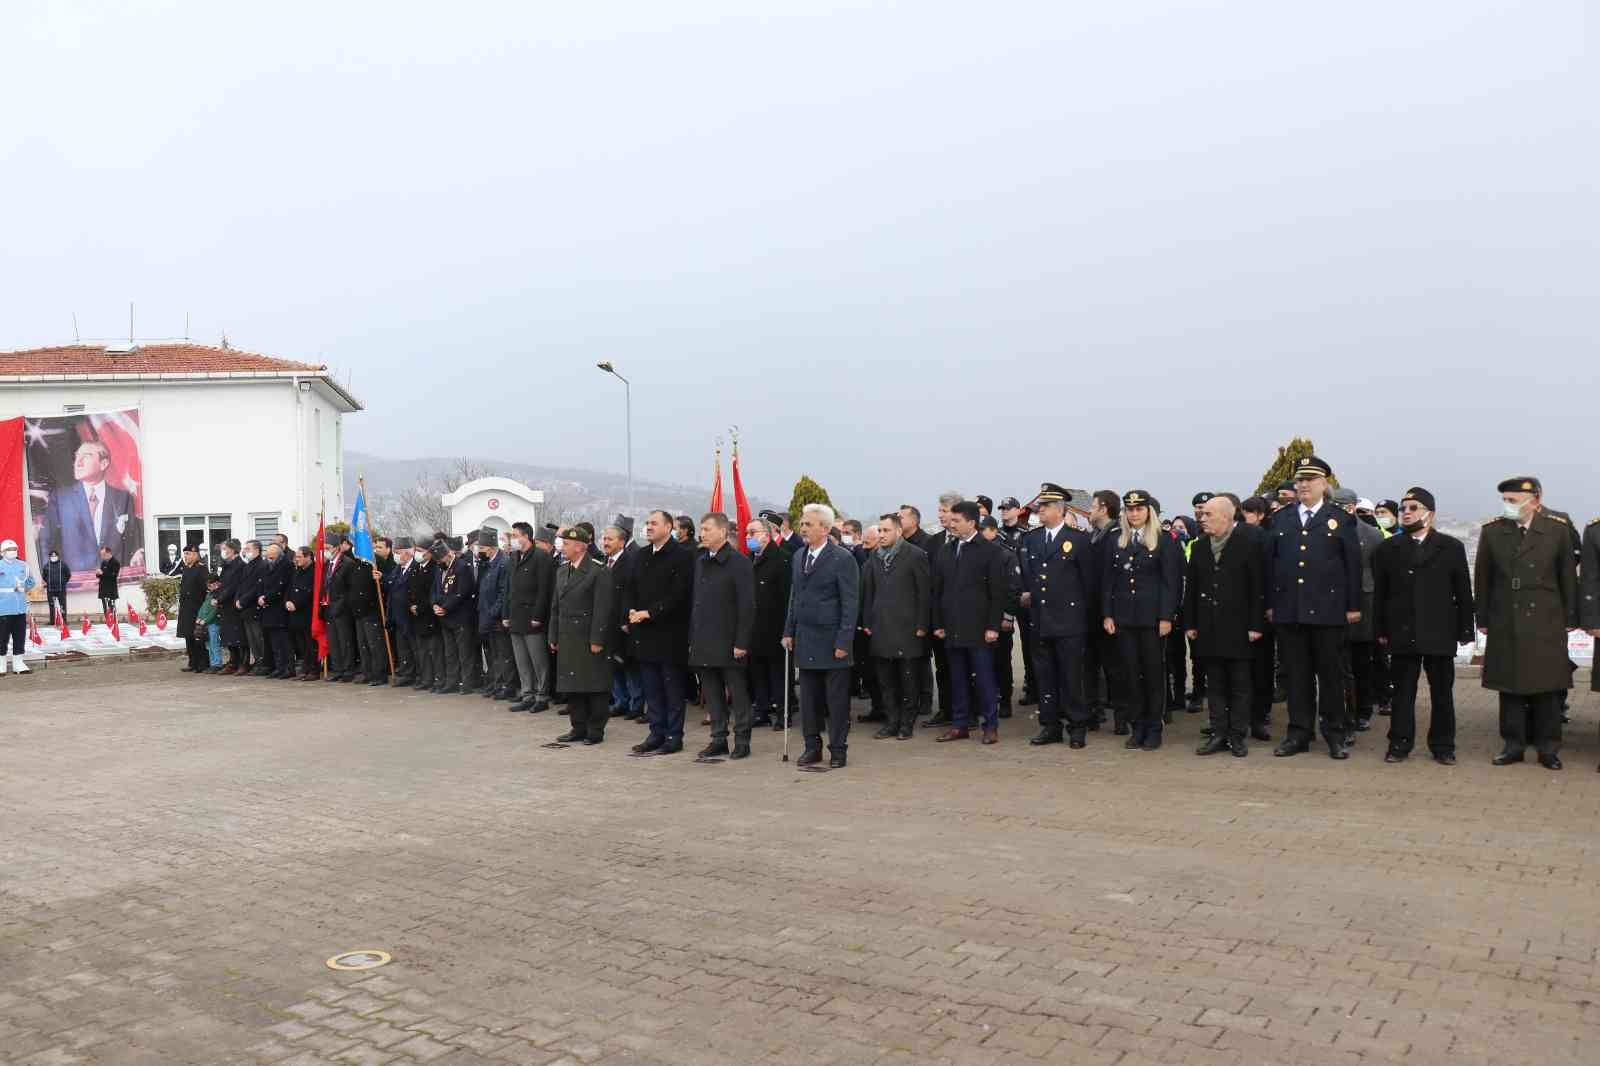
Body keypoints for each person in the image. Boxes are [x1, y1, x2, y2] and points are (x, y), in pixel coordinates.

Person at [1475, 477, 1578, 769]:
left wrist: (1571, 617)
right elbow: (1482, 579)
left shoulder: (1556, 530)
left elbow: (1568, 578)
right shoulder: (1493, 531)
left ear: (1534, 500)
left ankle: (1548, 749)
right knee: (1510, 686)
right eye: (1505, 500)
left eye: (1513, 500)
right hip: (1506, 617)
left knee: (1547, 687)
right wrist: (1482, 618)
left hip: (1546, 618)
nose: (1508, 506)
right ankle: (1513, 745)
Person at [1265, 456, 1363, 760]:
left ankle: (1334, 733)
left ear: (1324, 484)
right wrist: (1270, 604)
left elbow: (1352, 567)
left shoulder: (1341, 519)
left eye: (1311, 479)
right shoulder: (1280, 519)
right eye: (1300, 480)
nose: (1304, 485)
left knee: (1331, 676)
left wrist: (1353, 605)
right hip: (1290, 611)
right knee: (1297, 675)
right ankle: (1299, 733)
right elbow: (1270, 566)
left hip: (1328, 611)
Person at [1371, 487, 1474, 765]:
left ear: (1430, 513)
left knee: (1442, 693)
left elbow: (1463, 591)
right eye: (1403, 508)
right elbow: (1381, 593)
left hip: (1440, 632)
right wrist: (1379, 629)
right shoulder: (1388, 549)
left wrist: (1466, 630)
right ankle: (1399, 744)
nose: (1405, 513)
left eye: (1413, 508)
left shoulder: (1450, 547)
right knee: (1403, 693)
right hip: (1402, 631)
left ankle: (1443, 745)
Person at [1102, 490, 1183, 751]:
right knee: (1130, 674)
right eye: (1130, 509)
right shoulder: (1116, 540)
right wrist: (1108, 613)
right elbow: (1107, 581)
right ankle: (1137, 727)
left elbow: (1171, 583)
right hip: (1125, 617)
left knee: (1152, 673)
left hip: (1152, 619)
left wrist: (1166, 617)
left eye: (1139, 509)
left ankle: (1154, 727)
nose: (1134, 514)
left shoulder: (1163, 540)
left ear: (1149, 511)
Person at [1185, 496, 1265, 757]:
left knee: (1240, 685)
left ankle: (1237, 735)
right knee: (1215, 685)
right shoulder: (1199, 547)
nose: (1202, 519)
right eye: (1202, 514)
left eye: (1208, 514)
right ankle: (1218, 733)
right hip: (1209, 626)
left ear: (1226, 517)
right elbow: (1193, 589)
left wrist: (1256, 624)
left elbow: (1257, 588)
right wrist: (1191, 622)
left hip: (1240, 626)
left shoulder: (1248, 544)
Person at [1019, 484, 1097, 748]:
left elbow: (1089, 584)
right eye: (1040, 506)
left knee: (1071, 677)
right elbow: (1029, 576)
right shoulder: (1031, 539)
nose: (1039, 510)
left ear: (1060, 509)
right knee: (1045, 676)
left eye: (1045, 506)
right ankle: (1050, 726)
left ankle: (1077, 727)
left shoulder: (1078, 539)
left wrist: (1084, 621)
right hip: (1040, 620)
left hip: (1069, 621)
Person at [782, 503, 860, 768]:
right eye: (802, 523)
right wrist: (788, 630)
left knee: (836, 702)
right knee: (808, 700)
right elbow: (795, 596)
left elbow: (850, 604)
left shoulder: (842, 558)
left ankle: (838, 749)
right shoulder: (798, 556)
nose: (803, 528)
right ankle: (811, 747)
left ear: (825, 529)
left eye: (809, 524)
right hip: (806, 638)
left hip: (832, 640)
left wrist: (844, 641)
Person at [931, 501, 1011, 745]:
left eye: (956, 521)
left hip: (979, 629)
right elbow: (938, 590)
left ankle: (990, 725)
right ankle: (960, 724)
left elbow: (997, 593)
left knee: (985, 679)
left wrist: (992, 627)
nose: (951, 525)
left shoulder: (990, 551)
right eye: (950, 520)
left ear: (971, 523)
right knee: (957, 678)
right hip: (953, 627)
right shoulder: (946, 550)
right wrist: (938, 622)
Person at [687, 513, 757, 759]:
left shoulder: (739, 562)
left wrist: (741, 642)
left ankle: (742, 739)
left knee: (737, 693)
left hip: (729, 641)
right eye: (701, 529)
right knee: (712, 693)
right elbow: (696, 603)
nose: (702, 533)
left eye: (707, 529)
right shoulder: (701, 561)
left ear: (722, 532)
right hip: (704, 639)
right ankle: (718, 738)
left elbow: (746, 606)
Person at [625, 510, 694, 755]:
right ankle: (656, 733)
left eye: (654, 523)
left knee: (672, 688)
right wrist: (632, 610)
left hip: (670, 633)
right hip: (644, 634)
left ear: (669, 527)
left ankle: (674, 736)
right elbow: (630, 587)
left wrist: (650, 613)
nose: (649, 527)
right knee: (651, 688)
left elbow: (679, 595)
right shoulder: (642, 555)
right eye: (647, 523)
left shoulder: (683, 557)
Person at [860, 512, 931, 740]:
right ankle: (891, 722)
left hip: (908, 628)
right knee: (886, 680)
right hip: (881, 627)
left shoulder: (915, 555)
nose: (881, 535)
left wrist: (922, 624)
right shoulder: (874, 558)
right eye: (879, 531)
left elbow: (924, 593)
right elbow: (868, 591)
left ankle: (906, 724)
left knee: (908, 680)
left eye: (886, 530)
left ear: (899, 532)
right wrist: (867, 622)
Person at [548, 526, 616, 746]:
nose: (562, 547)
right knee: (573, 685)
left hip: (587, 637)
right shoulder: (562, 570)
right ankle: (578, 727)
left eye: (566, 544)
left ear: (580, 547)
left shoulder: (599, 571)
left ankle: (595, 729)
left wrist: (597, 639)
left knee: (594, 685)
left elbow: (602, 609)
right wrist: (553, 635)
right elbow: (556, 607)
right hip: (567, 636)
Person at [39, 438, 143, 574]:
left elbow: (133, 539)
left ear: (103, 463)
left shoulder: (123, 498)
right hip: (75, 584)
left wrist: (138, 552)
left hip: (113, 580)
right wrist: (51, 575)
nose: (78, 463)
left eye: (86, 456)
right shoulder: (60, 498)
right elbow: (46, 541)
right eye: (76, 457)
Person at [1332, 487, 1385, 737]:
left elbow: (1379, 573)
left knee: (1362, 664)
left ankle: (1363, 710)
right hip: (1333, 605)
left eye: (1342, 505)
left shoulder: (1372, 534)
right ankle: (1342, 712)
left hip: (1363, 606)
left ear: (1352, 507)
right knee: (1337, 666)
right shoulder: (1326, 530)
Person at [1082, 489, 1124, 732]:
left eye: (1093, 505)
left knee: (1114, 667)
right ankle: (1093, 711)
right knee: (1089, 663)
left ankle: (1121, 716)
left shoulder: (1117, 536)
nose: (1089, 510)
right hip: (1090, 611)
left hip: (1111, 612)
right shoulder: (1093, 536)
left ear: (1104, 508)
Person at [746, 517, 793, 729]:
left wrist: (787, 630)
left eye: (752, 533)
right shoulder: (749, 559)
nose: (748, 537)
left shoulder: (782, 559)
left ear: (766, 535)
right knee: (758, 672)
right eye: (747, 533)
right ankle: (761, 710)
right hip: (754, 627)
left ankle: (783, 714)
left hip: (775, 627)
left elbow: (787, 598)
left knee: (778, 674)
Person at [506, 521, 555, 712]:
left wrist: (538, 615)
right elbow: (509, 589)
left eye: (516, 535)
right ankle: (527, 694)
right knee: (522, 660)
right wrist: (505, 613)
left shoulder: (541, 557)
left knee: (538, 660)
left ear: (527, 536)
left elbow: (545, 590)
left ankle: (541, 696)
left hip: (532, 617)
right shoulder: (514, 557)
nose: (514, 539)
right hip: (516, 615)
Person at [600, 518, 643, 720]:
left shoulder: (631, 562)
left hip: (623, 623)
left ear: (622, 541)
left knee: (629, 665)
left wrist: (626, 619)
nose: (605, 542)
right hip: (607, 623)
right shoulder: (604, 561)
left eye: (609, 539)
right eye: (604, 538)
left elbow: (631, 593)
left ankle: (636, 703)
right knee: (613, 664)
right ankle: (620, 701)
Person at [980, 516, 1021, 718]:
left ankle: (1005, 701)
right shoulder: (975, 553)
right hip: (979, 617)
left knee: (1002, 661)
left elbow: (1013, 588)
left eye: (984, 529)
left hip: (1000, 618)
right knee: (982, 663)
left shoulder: (1005, 555)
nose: (980, 533)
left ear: (994, 530)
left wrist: (1008, 616)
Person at [433, 536, 477, 694]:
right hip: (445, 618)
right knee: (450, 652)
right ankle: (452, 681)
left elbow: (462, 592)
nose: (439, 562)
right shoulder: (440, 568)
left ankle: (467, 682)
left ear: (448, 555)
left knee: (464, 652)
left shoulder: (462, 567)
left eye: (441, 559)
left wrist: (445, 607)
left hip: (460, 616)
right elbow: (435, 590)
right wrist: (435, 605)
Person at [475, 527, 513, 700]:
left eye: (481, 548)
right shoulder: (488, 563)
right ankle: (496, 683)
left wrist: (493, 613)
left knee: (503, 654)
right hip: (486, 617)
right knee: (492, 655)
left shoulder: (503, 563)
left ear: (490, 547)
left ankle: (507, 685)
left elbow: (503, 592)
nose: (479, 552)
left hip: (496, 618)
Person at [318, 533, 359, 681]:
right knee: (334, 641)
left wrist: (339, 605)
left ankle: (348, 671)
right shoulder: (327, 564)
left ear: (337, 548)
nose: (326, 550)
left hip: (342, 609)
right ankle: (338, 669)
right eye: (324, 548)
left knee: (345, 641)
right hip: (328, 608)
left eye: (328, 548)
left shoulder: (348, 564)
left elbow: (350, 589)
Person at [407, 541, 443, 692]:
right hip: (417, 615)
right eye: (416, 550)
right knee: (422, 650)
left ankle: (438, 679)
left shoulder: (435, 568)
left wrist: (420, 607)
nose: (417, 553)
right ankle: (426, 678)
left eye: (420, 550)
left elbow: (433, 592)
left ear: (429, 552)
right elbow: (410, 589)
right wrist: (411, 605)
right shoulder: (416, 568)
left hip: (430, 615)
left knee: (434, 651)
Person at [256, 541, 295, 678]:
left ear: (279, 556)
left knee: (283, 641)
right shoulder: (267, 566)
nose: (269, 559)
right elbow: (261, 582)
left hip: (279, 607)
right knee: (273, 641)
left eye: (272, 557)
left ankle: (288, 668)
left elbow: (281, 586)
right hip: (267, 608)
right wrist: (261, 597)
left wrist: (266, 598)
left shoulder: (286, 566)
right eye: (268, 556)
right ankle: (279, 667)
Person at [383, 537, 418, 687]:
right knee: (402, 647)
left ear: (407, 553)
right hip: (397, 614)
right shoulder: (398, 568)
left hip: (409, 615)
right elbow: (392, 584)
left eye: (398, 552)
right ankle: (405, 672)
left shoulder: (415, 567)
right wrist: (382, 578)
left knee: (413, 647)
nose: (396, 555)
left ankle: (415, 673)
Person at [0, 538, 35, 675]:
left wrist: (24, 588)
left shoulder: (23, 565)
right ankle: (1, 665)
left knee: (19, 637)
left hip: (20, 607)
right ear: (2, 552)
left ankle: (18, 664)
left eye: (14, 549)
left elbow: (31, 581)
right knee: (2, 637)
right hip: (3, 608)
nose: (12, 551)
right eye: (9, 549)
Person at [234, 539, 269, 676]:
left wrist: (242, 600)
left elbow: (256, 587)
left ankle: (262, 662)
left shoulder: (262, 565)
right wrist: (237, 599)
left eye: (248, 549)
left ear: (257, 550)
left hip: (254, 606)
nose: (245, 551)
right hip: (245, 608)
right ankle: (258, 660)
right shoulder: (247, 566)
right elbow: (241, 585)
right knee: (251, 637)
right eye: (245, 549)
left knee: (258, 636)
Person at [213, 539, 246, 673]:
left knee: (238, 635)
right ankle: (233, 661)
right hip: (225, 605)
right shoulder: (226, 565)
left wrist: (220, 599)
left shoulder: (240, 565)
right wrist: (216, 595)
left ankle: (243, 663)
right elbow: (221, 583)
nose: (223, 552)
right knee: (228, 635)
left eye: (224, 549)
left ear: (232, 550)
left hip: (234, 604)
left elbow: (233, 586)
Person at [286, 546, 318, 680]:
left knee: (310, 643)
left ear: (308, 557)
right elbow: (289, 588)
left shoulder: (315, 571)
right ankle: (304, 668)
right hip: (294, 613)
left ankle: (314, 670)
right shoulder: (296, 571)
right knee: (301, 644)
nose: (296, 560)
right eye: (296, 557)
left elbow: (310, 592)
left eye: (299, 557)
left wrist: (296, 603)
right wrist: (287, 601)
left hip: (307, 612)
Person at [177, 544, 210, 673]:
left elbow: (205, 589)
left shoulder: (201, 569)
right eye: (185, 554)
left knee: (197, 636)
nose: (186, 556)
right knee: (188, 636)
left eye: (189, 554)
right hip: (186, 607)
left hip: (197, 607)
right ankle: (192, 662)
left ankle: (202, 663)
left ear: (196, 555)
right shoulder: (186, 568)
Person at [42, 550, 71, 625]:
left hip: (61, 589)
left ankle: (64, 620)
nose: (53, 557)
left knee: (62, 605)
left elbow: (68, 575)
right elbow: (44, 576)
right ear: (49, 557)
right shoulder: (46, 565)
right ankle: (52, 621)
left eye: (55, 556)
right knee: (51, 605)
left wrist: (63, 582)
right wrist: (48, 582)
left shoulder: (63, 564)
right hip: (50, 590)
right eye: (52, 556)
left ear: (58, 556)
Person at [97, 546, 121, 617]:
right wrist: (98, 573)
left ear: (108, 553)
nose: (102, 556)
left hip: (110, 589)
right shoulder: (103, 563)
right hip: (103, 588)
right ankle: (107, 621)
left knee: (111, 606)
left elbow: (114, 575)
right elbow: (101, 575)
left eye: (103, 554)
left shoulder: (115, 562)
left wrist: (103, 573)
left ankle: (113, 621)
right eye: (101, 555)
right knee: (105, 607)